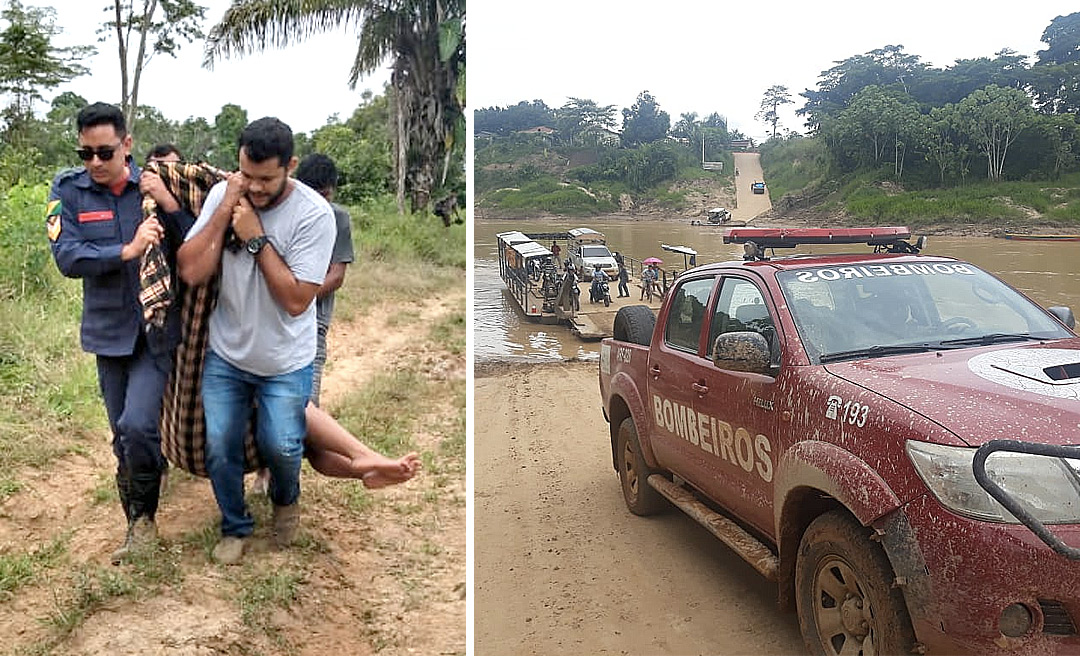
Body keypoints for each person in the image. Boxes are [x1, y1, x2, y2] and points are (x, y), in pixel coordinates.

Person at [178, 117, 336, 565]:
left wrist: (255, 239)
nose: (255, 186)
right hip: (227, 352)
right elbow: (191, 270)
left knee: (283, 444)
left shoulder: (314, 215)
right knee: (220, 443)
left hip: (286, 359)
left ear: (291, 165)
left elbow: (295, 300)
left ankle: (285, 501)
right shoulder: (226, 196)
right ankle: (235, 525)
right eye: (246, 174)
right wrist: (225, 206)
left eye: (265, 178)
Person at [47, 103, 195, 564]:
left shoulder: (154, 186)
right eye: (86, 153)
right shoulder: (68, 191)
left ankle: (144, 522)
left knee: (137, 424)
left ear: (126, 145)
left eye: (104, 152)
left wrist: (169, 206)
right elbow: (68, 257)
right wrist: (126, 250)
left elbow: (192, 242)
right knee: (121, 434)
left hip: (155, 329)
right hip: (108, 330)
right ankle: (137, 516)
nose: (94, 162)